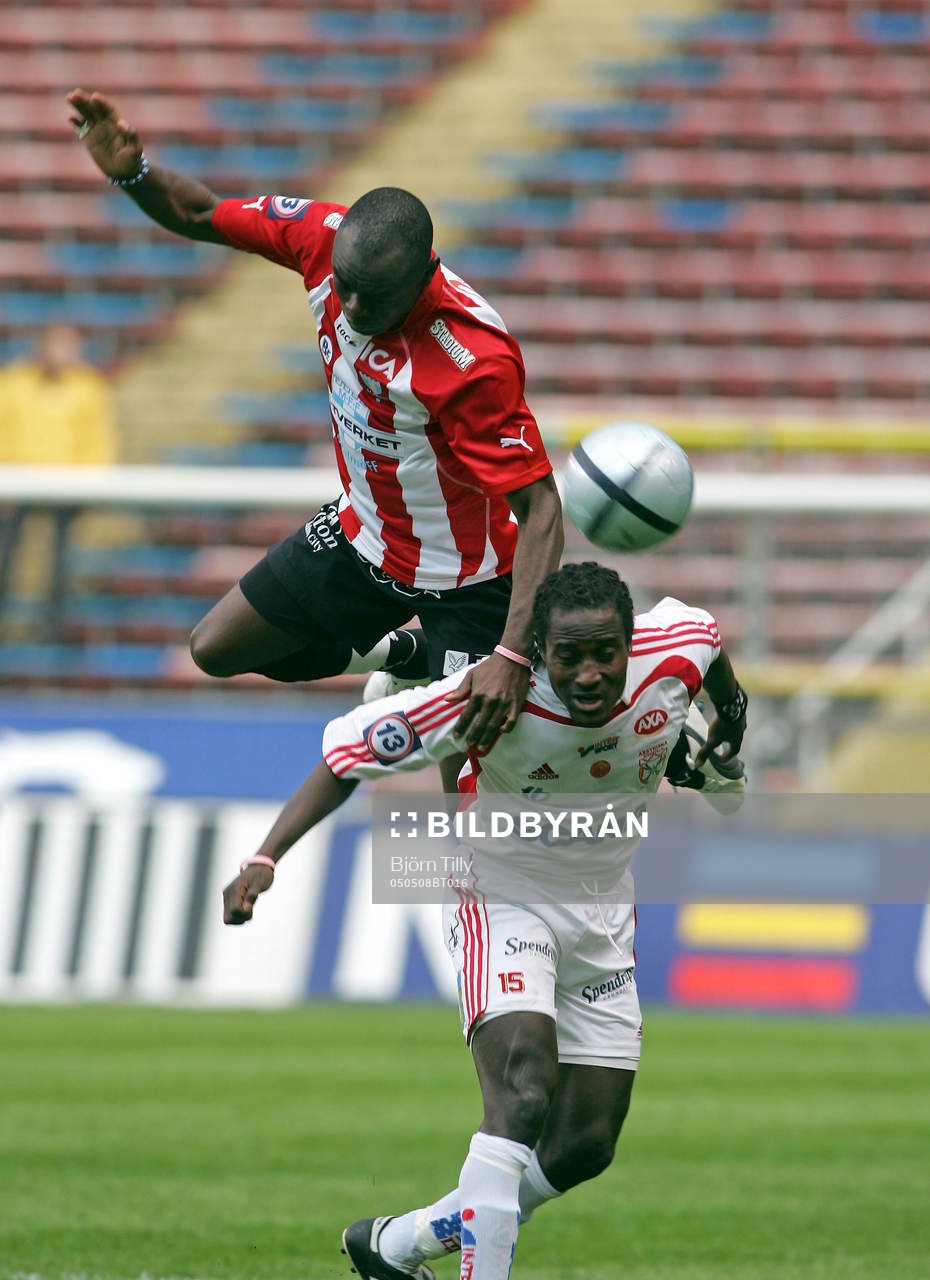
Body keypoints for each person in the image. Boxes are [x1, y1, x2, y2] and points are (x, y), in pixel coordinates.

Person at [222, 562, 748, 1280]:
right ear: (537, 651)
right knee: (523, 1092)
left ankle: (398, 1243)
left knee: (585, 1146)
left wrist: (732, 719)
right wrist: (265, 856)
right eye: (568, 656)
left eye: (605, 654)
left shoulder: (673, 648)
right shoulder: (490, 695)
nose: (589, 674)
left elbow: (709, 644)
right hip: (500, 894)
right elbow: (345, 759)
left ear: (630, 644)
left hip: (601, 912)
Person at [67, 88, 564, 765]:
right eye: (344, 285)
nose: (349, 306)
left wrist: (510, 652)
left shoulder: (471, 360)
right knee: (216, 648)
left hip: (471, 579)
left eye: (372, 296)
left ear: (423, 276)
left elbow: (541, 508)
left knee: (467, 795)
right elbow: (199, 212)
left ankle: (459, 666)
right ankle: (407, 654)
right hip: (365, 536)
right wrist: (134, 173)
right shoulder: (321, 239)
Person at [0, 324, 118, 639]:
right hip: (17, 484)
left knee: (61, 556)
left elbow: (97, 438)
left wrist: (89, 479)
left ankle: (54, 626)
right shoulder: (13, 382)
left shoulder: (88, 386)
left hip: (66, 485)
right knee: (6, 552)